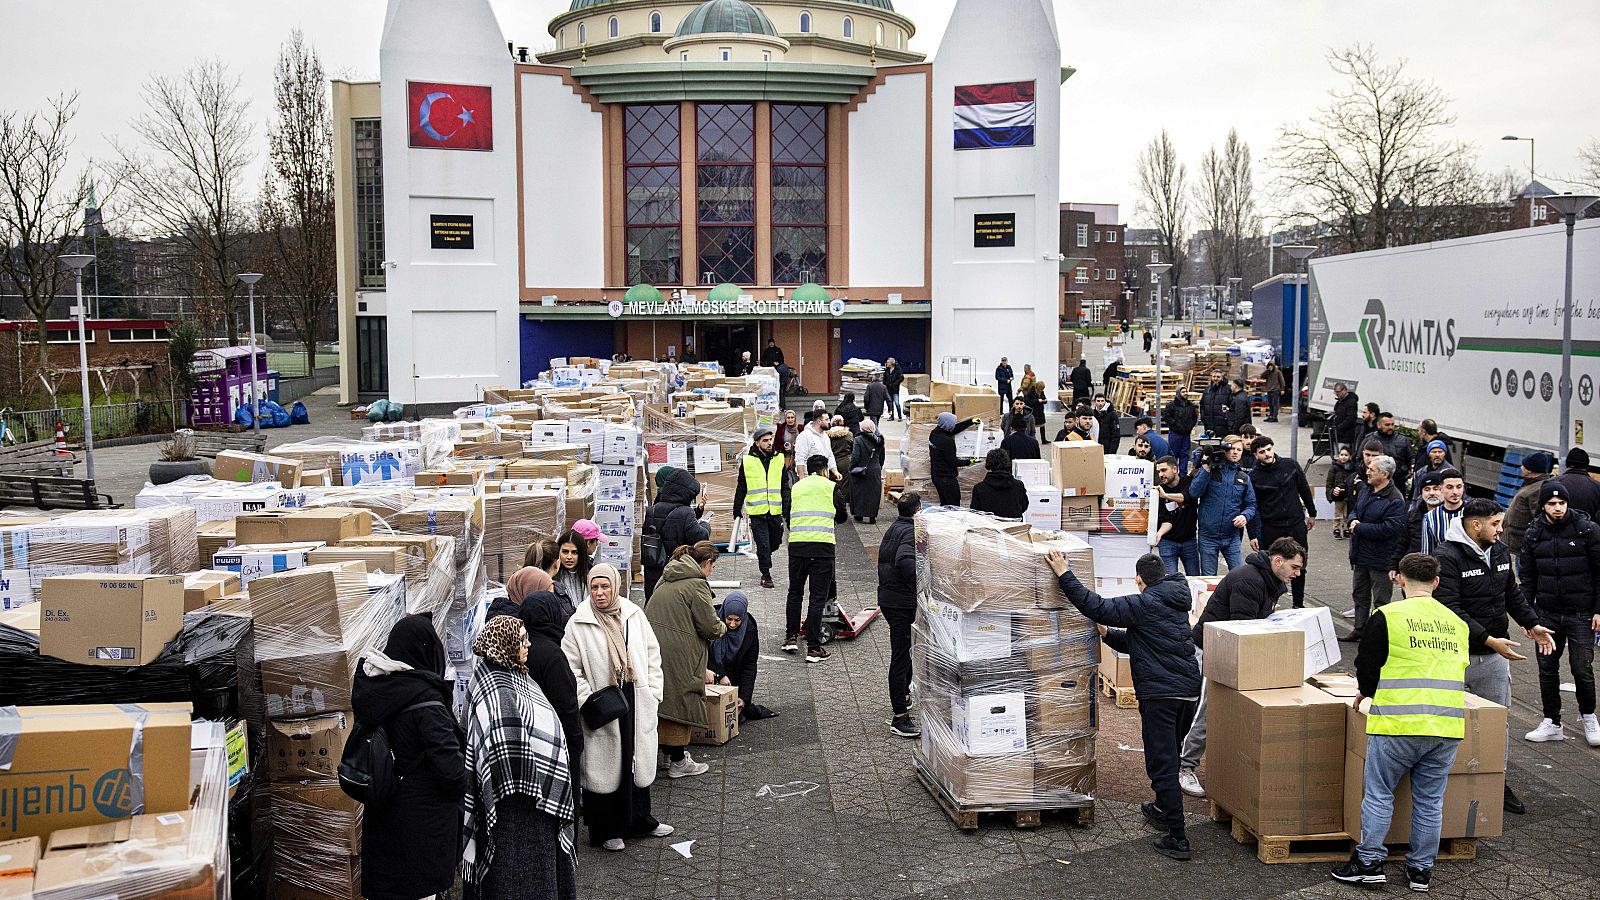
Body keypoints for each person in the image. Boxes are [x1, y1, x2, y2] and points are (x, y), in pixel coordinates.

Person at [1047, 550, 1201, 861]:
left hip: (1162, 695)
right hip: (1187, 692)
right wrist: (1108, 635)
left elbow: (1097, 606)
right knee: (1170, 751)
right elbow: (1142, 642)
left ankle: (1178, 837)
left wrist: (1064, 573)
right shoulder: (1175, 601)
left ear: (1140, 581)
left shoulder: (1144, 603)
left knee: (1163, 765)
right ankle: (1161, 809)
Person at [1331, 553, 1468, 893]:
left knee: (1379, 794)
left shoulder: (1388, 615)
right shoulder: (1457, 623)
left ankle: (1369, 863)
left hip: (1398, 722)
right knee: (1430, 801)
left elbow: (1368, 662)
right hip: (1446, 726)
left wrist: (1365, 692)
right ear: (1436, 582)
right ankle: (1420, 870)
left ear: (1399, 580)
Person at [1430, 498, 1552, 814]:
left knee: (1498, 722)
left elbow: (1510, 592)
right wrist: (1487, 639)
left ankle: (1497, 782)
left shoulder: (1498, 551)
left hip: (1495, 657)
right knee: (1447, 723)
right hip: (1456, 657)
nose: (1501, 530)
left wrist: (1531, 623)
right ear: (1476, 525)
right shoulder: (1446, 556)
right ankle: (1444, 783)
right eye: (1496, 524)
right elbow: (1450, 610)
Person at [1177, 538, 1306, 798]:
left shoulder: (1270, 580)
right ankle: (1184, 766)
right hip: (1215, 649)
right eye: (1294, 567)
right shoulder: (1251, 580)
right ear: (1277, 561)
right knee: (1207, 708)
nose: (1297, 574)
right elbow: (1243, 627)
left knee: (1214, 709)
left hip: (1228, 647)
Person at [462, 615, 578, 900]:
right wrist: (529, 780)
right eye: (522, 639)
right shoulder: (498, 688)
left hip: (531, 797)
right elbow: (501, 747)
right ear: (505, 645)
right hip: (518, 803)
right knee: (518, 876)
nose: (528, 644)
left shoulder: (508, 672)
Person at [352, 613, 467, 900]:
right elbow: (451, 770)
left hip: (384, 814)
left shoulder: (379, 689)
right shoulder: (427, 702)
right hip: (422, 825)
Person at [561, 563, 670, 852]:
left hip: (635, 698)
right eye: (594, 587)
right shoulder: (578, 623)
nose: (599, 592)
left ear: (615, 586)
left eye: (605, 586)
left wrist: (653, 692)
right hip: (604, 704)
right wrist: (588, 699)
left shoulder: (634, 615)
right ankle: (606, 830)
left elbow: (652, 654)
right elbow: (570, 670)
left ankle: (640, 820)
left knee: (636, 759)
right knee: (606, 765)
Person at [1518, 481, 1600, 746]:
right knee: (1547, 669)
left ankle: (1589, 716)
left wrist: (1598, 609)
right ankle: (1552, 721)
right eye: (1552, 504)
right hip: (1547, 614)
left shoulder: (1587, 530)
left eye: (1561, 503)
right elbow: (1527, 577)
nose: (1557, 508)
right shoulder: (1533, 534)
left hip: (1581, 613)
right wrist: (1528, 617)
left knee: (1582, 668)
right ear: (1543, 505)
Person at [644, 541, 727, 779]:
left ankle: (667, 754)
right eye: (713, 566)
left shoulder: (667, 576)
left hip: (655, 647)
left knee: (664, 699)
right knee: (682, 698)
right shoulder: (696, 584)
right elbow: (710, 626)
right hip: (680, 651)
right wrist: (722, 627)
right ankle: (679, 760)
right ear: (707, 563)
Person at [519, 590, 584, 789]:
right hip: (557, 739)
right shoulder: (552, 653)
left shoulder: (521, 646)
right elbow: (566, 703)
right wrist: (576, 740)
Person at [785, 455, 847, 662]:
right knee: (817, 598)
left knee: (794, 593)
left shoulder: (796, 487)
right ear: (824, 471)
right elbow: (842, 516)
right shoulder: (831, 487)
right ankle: (813, 647)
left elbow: (787, 514)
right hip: (822, 549)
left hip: (797, 547)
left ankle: (791, 638)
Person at [1343, 454, 1408, 643]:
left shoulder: (1395, 499)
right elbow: (1355, 509)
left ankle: (1378, 635)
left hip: (1381, 559)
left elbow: (1390, 528)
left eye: (1372, 469)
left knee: (1380, 600)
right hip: (1361, 555)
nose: (1367, 472)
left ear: (1385, 474)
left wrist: (1359, 527)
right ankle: (1359, 629)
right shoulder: (1366, 489)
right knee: (1359, 594)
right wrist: (1351, 519)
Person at [1246, 436, 1316, 608]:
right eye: (1262, 452)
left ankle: (1298, 604)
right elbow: (1252, 506)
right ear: (1255, 455)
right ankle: (1270, 603)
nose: (1267, 454)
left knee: (1300, 564)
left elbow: (1304, 489)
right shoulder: (1254, 477)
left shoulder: (1290, 465)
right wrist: (1253, 534)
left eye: (1269, 449)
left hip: (1295, 524)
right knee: (1271, 567)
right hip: (1271, 527)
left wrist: (1312, 513)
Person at [878, 492, 922, 738]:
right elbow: (905, 561)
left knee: (905, 650)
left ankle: (904, 695)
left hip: (891, 598)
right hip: (899, 602)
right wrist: (923, 583)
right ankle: (899, 717)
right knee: (901, 655)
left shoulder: (895, 527)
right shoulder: (909, 531)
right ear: (918, 510)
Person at [1189, 437, 1257, 576]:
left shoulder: (1243, 477)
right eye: (1232, 448)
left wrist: (1245, 516)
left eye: (1239, 450)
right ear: (1223, 449)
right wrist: (1206, 468)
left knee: (1240, 576)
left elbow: (1251, 504)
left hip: (1232, 536)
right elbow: (1194, 492)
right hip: (1208, 536)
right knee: (1208, 579)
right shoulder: (1210, 472)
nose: (1235, 452)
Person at [733, 427, 789, 590]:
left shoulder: (779, 459)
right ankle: (766, 574)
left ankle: (764, 556)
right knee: (763, 545)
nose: (769, 443)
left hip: (774, 511)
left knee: (776, 542)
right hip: (757, 512)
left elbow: (784, 485)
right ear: (757, 443)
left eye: (770, 439)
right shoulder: (748, 461)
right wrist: (737, 509)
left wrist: (787, 506)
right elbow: (741, 486)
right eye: (765, 440)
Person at [643, 466, 710, 599]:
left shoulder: (652, 510)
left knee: (653, 603)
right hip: (677, 569)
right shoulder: (686, 512)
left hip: (654, 569)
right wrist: (705, 525)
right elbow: (700, 537)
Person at [708, 591, 776, 722]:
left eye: (737, 620)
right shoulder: (711, 623)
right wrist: (720, 675)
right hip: (711, 672)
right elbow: (704, 655)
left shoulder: (749, 629)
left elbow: (749, 665)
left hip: (734, 676)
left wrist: (744, 698)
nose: (732, 624)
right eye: (729, 619)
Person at [1153, 456, 1199, 576]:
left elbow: (1187, 497)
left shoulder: (1188, 482)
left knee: (1194, 578)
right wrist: (1159, 533)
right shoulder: (1160, 490)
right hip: (1168, 542)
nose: (1161, 475)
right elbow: (1167, 520)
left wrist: (1166, 496)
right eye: (1158, 472)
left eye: (1164, 470)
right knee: (1170, 581)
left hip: (1189, 541)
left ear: (1175, 469)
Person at [1503, 452, 1554, 556]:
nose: (1521, 468)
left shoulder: (1536, 489)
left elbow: (1539, 519)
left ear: (1529, 470)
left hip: (1520, 545)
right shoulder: (1531, 484)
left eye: (1523, 466)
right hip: (1516, 542)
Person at [929, 412, 981, 506]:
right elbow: (953, 462)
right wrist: (969, 461)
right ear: (948, 424)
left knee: (945, 503)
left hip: (936, 475)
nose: (953, 425)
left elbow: (953, 430)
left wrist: (970, 422)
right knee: (953, 504)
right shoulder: (947, 442)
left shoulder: (935, 433)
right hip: (947, 479)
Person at [970, 448, 1030, 519]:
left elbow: (975, 512)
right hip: (1014, 527)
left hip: (989, 527)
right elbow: (1024, 506)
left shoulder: (979, 488)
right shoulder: (1018, 485)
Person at [850, 419, 886, 524]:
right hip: (875, 469)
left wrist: (852, 467)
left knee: (860, 492)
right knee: (873, 493)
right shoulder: (879, 440)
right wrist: (879, 466)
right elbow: (882, 457)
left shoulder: (858, 439)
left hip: (860, 469)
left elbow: (855, 456)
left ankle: (859, 514)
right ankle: (872, 516)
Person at [1370, 413, 1415, 493]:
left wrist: (1412, 466)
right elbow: (1360, 460)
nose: (1390, 427)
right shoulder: (1370, 439)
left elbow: (1411, 457)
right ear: (1379, 424)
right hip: (1376, 482)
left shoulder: (1403, 440)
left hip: (1398, 482)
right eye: (1387, 425)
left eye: (1392, 424)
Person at [552, 529, 592, 614]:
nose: (569, 557)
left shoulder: (590, 575)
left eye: (574, 552)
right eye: (565, 552)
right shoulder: (552, 578)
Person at [1554, 448, 1600, 518]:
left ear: (1566, 464)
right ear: (1587, 466)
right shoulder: (1597, 487)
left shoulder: (1553, 483)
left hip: (1557, 527)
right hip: (1588, 527)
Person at [1162, 392, 1198, 475]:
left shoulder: (1190, 406)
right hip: (1175, 434)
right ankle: (1172, 473)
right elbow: (1166, 417)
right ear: (1178, 393)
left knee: (1185, 455)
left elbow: (1194, 417)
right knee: (1173, 454)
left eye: (1186, 391)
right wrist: (1175, 425)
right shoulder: (1171, 405)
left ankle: (1183, 474)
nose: (1185, 393)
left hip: (1186, 434)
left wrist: (1189, 427)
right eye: (1183, 391)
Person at [795, 409, 835, 477]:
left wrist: (835, 471)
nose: (829, 422)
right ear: (819, 421)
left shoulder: (825, 436)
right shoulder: (805, 436)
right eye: (827, 419)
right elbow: (800, 458)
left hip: (824, 476)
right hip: (809, 478)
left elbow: (830, 455)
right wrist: (801, 478)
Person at [1326, 446, 1355, 539]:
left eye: (1346, 455)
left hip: (1349, 495)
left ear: (1350, 457)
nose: (1343, 457)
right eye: (1341, 454)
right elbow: (1329, 482)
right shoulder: (1334, 468)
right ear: (1338, 456)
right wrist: (1331, 493)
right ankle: (1336, 529)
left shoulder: (1353, 468)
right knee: (1337, 513)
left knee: (1347, 514)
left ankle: (1346, 528)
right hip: (1338, 495)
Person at [1329, 382, 1361, 456]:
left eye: (1338, 392)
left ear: (1344, 390)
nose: (1337, 394)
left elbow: (1351, 418)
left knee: (1343, 455)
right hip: (1337, 434)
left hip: (1345, 435)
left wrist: (1339, 427)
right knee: (1337, 455)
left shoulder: (1351, 402)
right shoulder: (1339, 402)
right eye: (1335, 392)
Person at [1199, 372, 1232, 437]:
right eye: (1214, 376)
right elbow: (1202, 404)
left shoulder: (1227, 389)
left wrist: (1226, 417)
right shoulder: (1207, 389)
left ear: (1222, 378)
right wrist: (1203, 417)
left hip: (1223, 426)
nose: (1215, 379)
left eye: (1218, 377)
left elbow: (1232, 405)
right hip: (1209, 425)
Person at [1024, 379, 1049, 444]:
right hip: (1034, 411)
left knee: (1042, 425)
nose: (1042, 390)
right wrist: (1037, 401)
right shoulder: (1031, 391)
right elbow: (1027, 401)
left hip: (1040, 411)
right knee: (1032, 426)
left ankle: (1043, 439)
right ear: (1038, 387)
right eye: (1041, 388)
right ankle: (1030, 439)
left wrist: (1045, 400)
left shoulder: (1041, 392)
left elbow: (1043, 398)